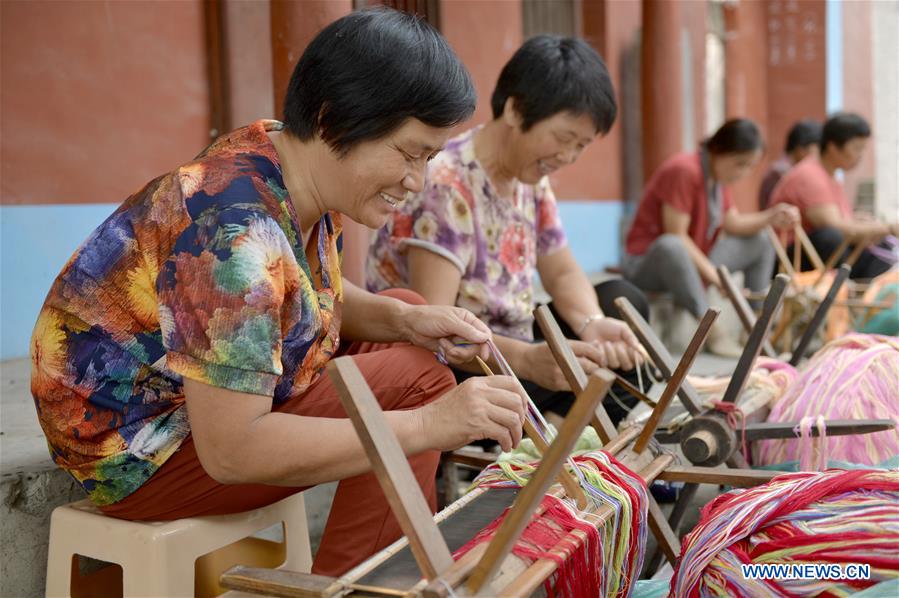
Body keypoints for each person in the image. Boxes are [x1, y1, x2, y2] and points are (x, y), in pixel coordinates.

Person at [29, 9, 529, 577]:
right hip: (137, 450)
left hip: (190, 405)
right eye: (408, 153)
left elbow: (300, 294)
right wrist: (431, 424)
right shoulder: (233, 233)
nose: (415, 182)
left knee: (413, 317)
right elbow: (233, 450)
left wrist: (407, 321)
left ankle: (371, 567)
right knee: (419, 385)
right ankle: (365, 586)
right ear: (332, 118)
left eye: (429, 158)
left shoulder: (287, 159)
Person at [366, 35, 648, 427]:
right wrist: (527, 360)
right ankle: (548, 435)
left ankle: (551, 429)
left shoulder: (529, 177)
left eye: (581, 145)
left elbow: (562, 271)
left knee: (622, 308)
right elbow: (437, 326)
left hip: (513, 341)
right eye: (564, 138)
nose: (567, 157)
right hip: (457, 364)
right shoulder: (447, 183)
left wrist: (591, 323)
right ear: (515, 110)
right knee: (585, 368)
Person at [622, 119, 800, 356]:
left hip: (695, 259)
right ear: (718, 150)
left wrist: (771, 216)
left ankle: (754, 329)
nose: (743, 173)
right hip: (651, 265)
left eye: (749, 167)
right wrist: (719, 280)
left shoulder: (717, 179)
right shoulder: (684, 170)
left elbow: (733, 223)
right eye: (740, 164)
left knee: (761, 240)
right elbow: (676, 235)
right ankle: (712, 332)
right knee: (672, 245)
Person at [770, 112, 898, 279]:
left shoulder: (831, 176)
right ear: (833, 146)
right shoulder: (809, 175)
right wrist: (888, 228)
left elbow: (843, 220)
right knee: (831, 238)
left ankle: (860, 297)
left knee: (881, 244)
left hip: (822, 251)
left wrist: (865, 224)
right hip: (788, 259)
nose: (859, 156)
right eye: (856, 148)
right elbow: (835, 227)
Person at [757, 119, 821, 209]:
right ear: (801, 149)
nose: (819, 157)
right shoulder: (781, 172)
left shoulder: (786, 168)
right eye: (818, 151)